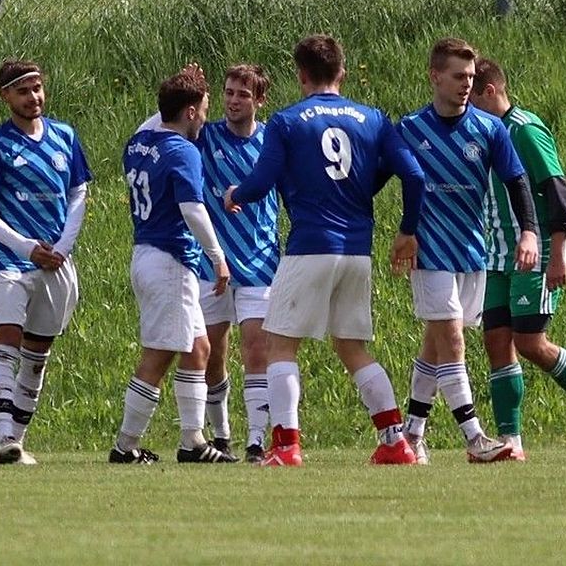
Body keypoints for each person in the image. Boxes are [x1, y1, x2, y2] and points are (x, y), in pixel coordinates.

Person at [224, 34, 425, 467]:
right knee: (353, 347)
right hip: (357, 251)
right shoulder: (372, 118)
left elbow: (261, 182)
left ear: (301, 75)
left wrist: (235, 193)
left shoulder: (287, 121)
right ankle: (394, 440)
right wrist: (407, 229)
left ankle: (286, 446)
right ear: (342, 72)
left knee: (280, 346)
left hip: (309, 247)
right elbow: (413, 175)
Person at [469, 57, 566, 460]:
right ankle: (511, 442)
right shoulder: (482, 133)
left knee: (530, 342)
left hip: (533, 255)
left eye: (472, 97)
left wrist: (559, 254)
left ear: (490, 91)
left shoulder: (525, 131)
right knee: (496, 342)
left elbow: (558, 191)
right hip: (496, 255)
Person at [396, 38, 539, 464]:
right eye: (458, 77)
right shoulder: (409, 129)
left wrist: (529, 232)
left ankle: (411, 434)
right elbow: (377, 178)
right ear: (434, 76)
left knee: (436, 346)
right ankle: (475, 439)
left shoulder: (489, 129)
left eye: (472, 78)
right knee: (453, 342)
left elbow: (517, 181)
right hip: (430, 252)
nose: (466, 85)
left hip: (471, 251)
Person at [138, 64, 278, 464]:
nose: (234, 101)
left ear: (260, 101)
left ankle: (255, 439)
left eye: (243, 95)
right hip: (208, 265)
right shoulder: (204, 135)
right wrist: (180, 94)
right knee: (211, 351)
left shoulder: (271, 140)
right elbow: (157, 130)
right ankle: (221, 435)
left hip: (259, 260)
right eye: (229, 92)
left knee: (256, 347)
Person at [0, 59, 92, 465]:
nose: (33, 97)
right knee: (7, 345)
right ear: (6, 97)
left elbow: (78, 194)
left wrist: (62, 245)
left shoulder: (65, 137)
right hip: (10, 262)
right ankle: (5, 438)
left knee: (38, 356)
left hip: (56, 263)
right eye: (23, 91)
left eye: (37, 88)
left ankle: (16, 442)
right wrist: (26, 247)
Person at [110, 68, 234, 464]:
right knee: (158, 355)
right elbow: (192, 208)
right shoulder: (183, 152)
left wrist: (181, 88)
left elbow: (159, 119)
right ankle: (124, 447)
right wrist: (218, 256)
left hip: (148, 255)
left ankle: (192, 441)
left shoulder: (139, 142)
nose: (206, 117)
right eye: (204, 109)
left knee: (199, 348)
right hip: (169, 260)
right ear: (192, 113)